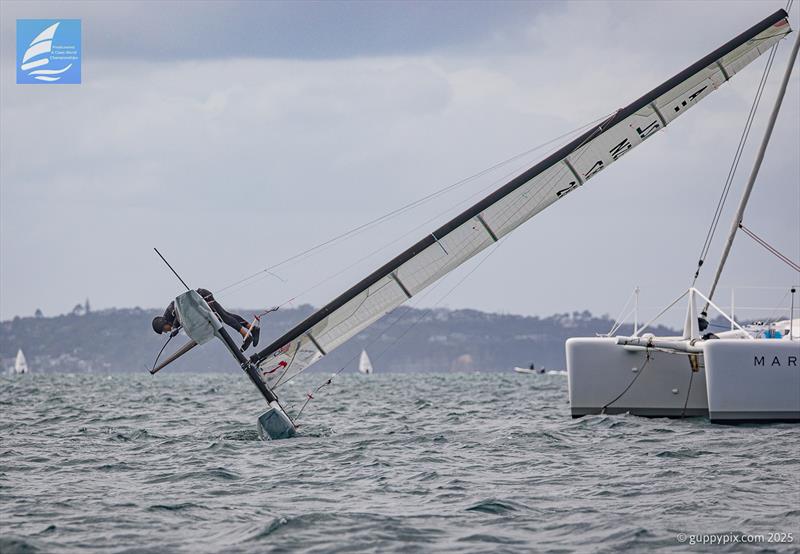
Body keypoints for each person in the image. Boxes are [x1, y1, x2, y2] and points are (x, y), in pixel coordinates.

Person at [151, 288, 260, 351]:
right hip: (202, 299)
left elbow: (179, 311)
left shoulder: (170, 312)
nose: (166, 331)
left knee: (223, 317)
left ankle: (246, 336)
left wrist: (175, 327)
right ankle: (252, 328)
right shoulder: (169, 319)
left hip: (202, 296)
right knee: (225, 314)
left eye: (164, 330)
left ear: (163, 323)